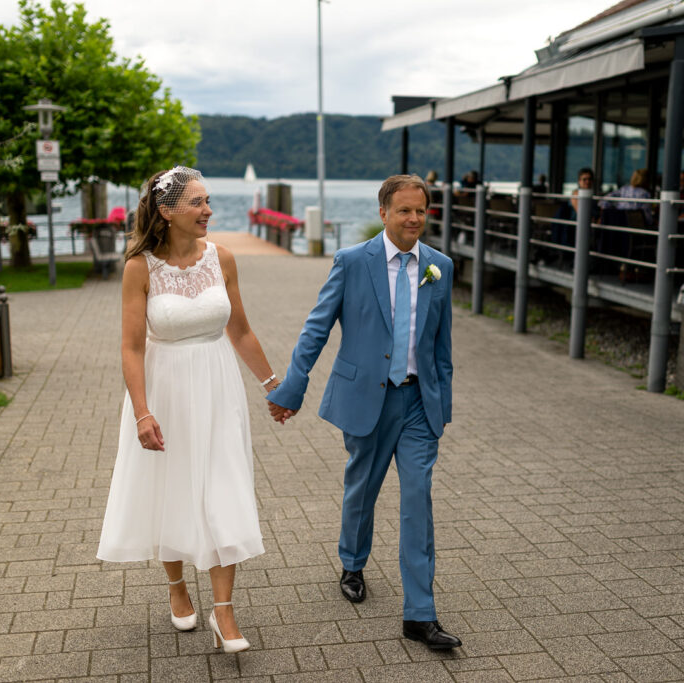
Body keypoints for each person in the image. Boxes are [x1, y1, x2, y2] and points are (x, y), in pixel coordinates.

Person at [266, 174, 460, 650]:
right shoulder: (353, 262)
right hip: (367, 399)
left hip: (418, 404)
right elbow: (317, 328)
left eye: (421, 210)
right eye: (404, 211)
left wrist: (442, 406)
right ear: (383, 213)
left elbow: (442, 344)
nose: (413, 219)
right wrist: (292, 388)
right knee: (362, 488)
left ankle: (420, 614)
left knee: (419, 500)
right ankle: (352, 563)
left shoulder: (440, 267)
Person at [97, 166, 278, 653]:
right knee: (172, 487)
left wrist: (272, 384)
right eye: (197, 202)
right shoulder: (140, 267)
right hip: (166, 386)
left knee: (224, 486)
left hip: (219, 386)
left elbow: (240, 330)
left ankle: (224, 613)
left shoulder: (222, 258)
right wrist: (142, 411)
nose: (208, 211)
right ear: (166, 211)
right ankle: (177, 587)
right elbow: (132, 347)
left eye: (208, 200)